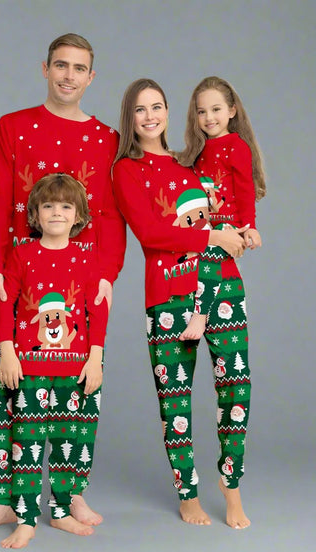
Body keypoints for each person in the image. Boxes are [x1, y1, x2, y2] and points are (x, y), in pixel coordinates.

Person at [0, 33, 126, 538]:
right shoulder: (12, 127)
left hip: (80, 291)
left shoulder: (106, 139)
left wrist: (107, 274)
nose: (69, 76)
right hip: (21, 281)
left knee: (77, 397)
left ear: (91, 77)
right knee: (9, 397)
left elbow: (109, 216)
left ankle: (69, 494)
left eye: (80, 68)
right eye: (61, 65)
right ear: (45, 68)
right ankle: (6, 501)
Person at [112, 78, 251, 529]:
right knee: (176, 401)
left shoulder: (190, 163)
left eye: (157, 106)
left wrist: (242, 229)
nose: (150, 116)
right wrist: (214, 234)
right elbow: (152, 234)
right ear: (129, 119)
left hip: (221, 288)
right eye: (140, 110)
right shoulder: (126, 170)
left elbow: (230, 201)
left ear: (172, 112)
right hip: (168, 297)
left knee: (236, 390)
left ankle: (231, 487)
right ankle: (187, 492)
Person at [0, 173, 109, 548]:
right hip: (29, 368)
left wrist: (96, 360)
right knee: (25, 444)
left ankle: (60, 512)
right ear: (35, 213)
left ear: (77, 215)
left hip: (75, 368)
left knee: (68, 443)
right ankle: (26, 518)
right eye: (48, 206)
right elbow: (5, 303)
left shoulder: (87, 257)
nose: (56, 213)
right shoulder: (22, 254)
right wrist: (8, 351)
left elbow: (97, 311)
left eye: (65, 206)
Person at [177, 75, 266, 341]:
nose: (208, 118)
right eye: (201, 112)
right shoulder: (198, 149)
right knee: (196, 252)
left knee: (210, 253)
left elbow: (245, 188)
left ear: (231, 110)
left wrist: (249, 227)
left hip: (229, 222)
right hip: (204, 221)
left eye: (216, 110)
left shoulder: (236, 146)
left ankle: (200, 314)